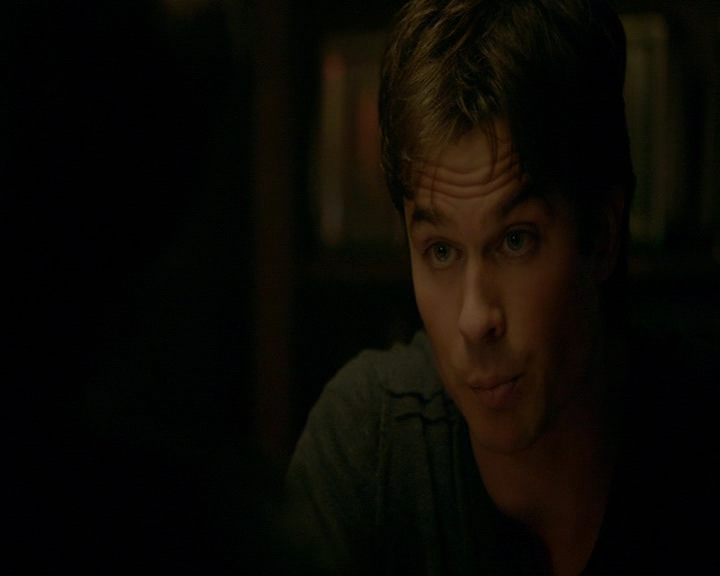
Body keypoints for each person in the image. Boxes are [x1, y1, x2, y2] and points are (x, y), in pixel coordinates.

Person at [286, 0, 719, 574]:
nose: (475, 318)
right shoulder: (371, 449)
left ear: (602, 236)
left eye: (516, 241)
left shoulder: (699, 440)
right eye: (441, 251)